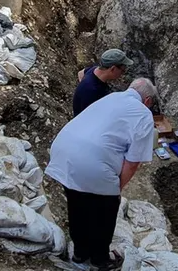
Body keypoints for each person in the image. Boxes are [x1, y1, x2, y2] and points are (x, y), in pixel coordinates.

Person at [46, 78, 158, 271]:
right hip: (92, 162)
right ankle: (99, 259)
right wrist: (115, 189)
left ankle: (80, 252)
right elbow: (132, 163)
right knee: (104, 212)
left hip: (64, 152)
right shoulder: (143, 114)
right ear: (147, 100)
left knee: (77, 204)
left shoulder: (111, 97)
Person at [73, 49, 134, 117]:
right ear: (113, 69)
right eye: (122, 71)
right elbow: (88, 118)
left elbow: (80, 73)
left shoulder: (94, 70)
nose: (122, 74)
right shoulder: (92, 91)